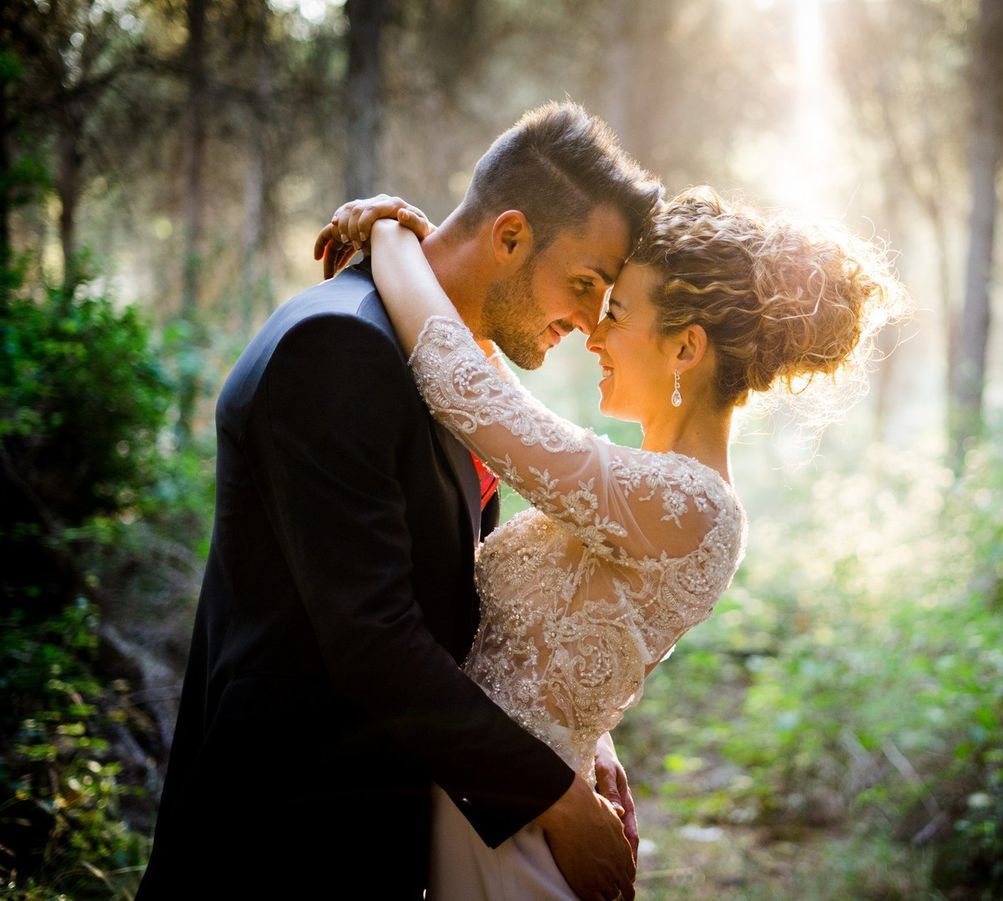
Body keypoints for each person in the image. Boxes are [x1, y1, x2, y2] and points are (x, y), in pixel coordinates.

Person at [316, 183, 905, 898]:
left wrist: (390, 233)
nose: (593, 333)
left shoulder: (692, 505)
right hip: (490, 804)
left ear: (686, 346)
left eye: (616, 313)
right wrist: (592, 738)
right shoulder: (649, 488)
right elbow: (567, 642)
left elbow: (464, 384)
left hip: (512, 843)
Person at [136, 102, 661, 901]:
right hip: (282, 841)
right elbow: (374, 640)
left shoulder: (445, 369)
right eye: (584, 283)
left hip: (380, 833)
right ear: (511, 235)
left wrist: (588, 746)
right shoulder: (338, 345)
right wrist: (553, 798)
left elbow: (475, 605)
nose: (589, 321)